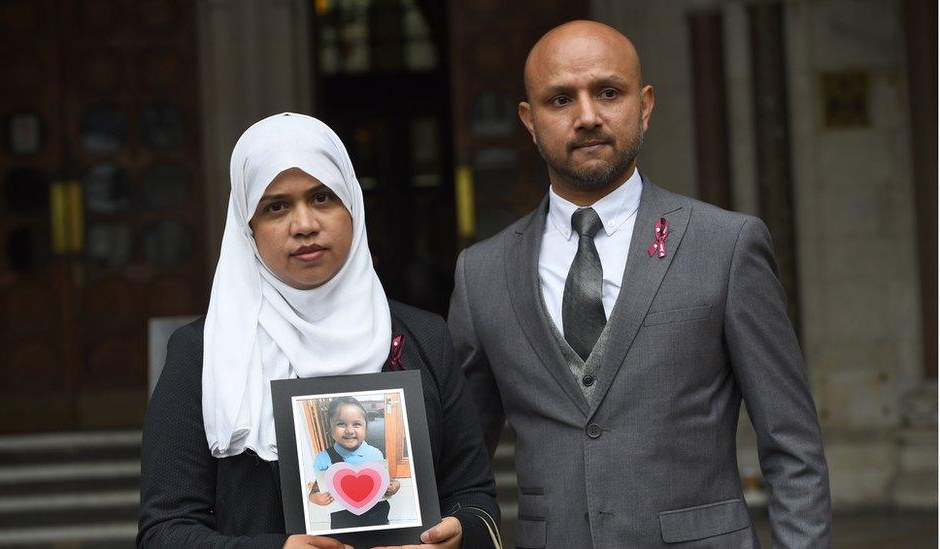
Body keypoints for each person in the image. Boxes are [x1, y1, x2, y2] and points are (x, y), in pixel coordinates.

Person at [447, 20, 831, 548]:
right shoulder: (481, 273)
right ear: (529, 121)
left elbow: (794, 449)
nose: (587, 117)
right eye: (560, 100)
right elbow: (462, 459)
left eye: (608, 93)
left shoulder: (726, 245)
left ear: (644, 105)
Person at [138, 113, 501, 549]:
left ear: (353, 208)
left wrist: (460, 533)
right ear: (247, 229)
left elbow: (474, 497)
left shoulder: (423, 338)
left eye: (322, 197)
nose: (304, 224)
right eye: (276, 206)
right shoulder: (203, 353)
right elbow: (164, 532)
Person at [308, 397, 399, 529]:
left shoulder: (375, 454)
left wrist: (395, 485)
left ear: (366, 427)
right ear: (330, 427)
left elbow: (386, 480)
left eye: (356, 424)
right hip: (343, 517)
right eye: (341, 424)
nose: (349, 430)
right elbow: (316, 488)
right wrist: (315, 498)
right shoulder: (323, 459)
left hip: (376, 513)